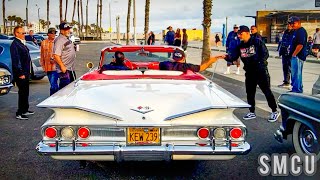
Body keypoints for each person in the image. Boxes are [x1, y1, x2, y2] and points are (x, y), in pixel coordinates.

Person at [224, 25, 279, 122]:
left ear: (247, 33)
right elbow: (233, 57)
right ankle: (252, 111)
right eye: (238, 34)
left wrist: (259, 63)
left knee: (266, 91)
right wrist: (225, 57)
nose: (239, 35)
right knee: (250, 92)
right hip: (249, 72)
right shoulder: (240, 46)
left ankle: (274, 111)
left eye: (241, 34)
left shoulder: (257, 42)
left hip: (260, 71)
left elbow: (265, 54)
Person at [10, 26, 35, 120]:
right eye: (23, 33)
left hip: (26, 72)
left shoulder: (21, 43)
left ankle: (25, 109)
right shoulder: (15, 44)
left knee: (26, 92)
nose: (24, 35)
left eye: (24, 33)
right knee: (22, 93)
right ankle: (19, 112)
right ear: (16, 33)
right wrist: (20, 73)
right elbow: (16, 60)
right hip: (21, 73)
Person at [53, 22, 77, 90]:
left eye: (69, 29)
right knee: (65, 90)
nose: (69, 30)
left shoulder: (66, 38)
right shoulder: (59, 40)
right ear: (61, 30)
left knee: (72, 88)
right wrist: (62, 66)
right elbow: (56, 55)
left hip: (70, 68)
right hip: (65, 70)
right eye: (66, 29)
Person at [159, 49, 224, 72]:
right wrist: (213, 59)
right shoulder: (187, 66)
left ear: (173, 58)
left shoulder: (165, 64)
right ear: (184, 58)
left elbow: (155, 65)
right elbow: (201, 68)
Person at [288, 16, 307, 93]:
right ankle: (297, 88)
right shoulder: (296, 31)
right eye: (291, 23)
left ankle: (297, 90)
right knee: (295, 73)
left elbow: (300, 45)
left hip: (298, 56)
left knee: (296, 74)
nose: (292, 25)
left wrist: (294, 55)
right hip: (295, 56)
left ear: (299, 23)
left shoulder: (301, 31)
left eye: (294, 23)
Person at [40, 27, 59, 96]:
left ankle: (53, 98)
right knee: (52, 83)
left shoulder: (57, 42)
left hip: (55, 67)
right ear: (48, 34)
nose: (54, 34)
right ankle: (56, 96)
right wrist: (43, 66)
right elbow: (42, 55)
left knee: (53, 84)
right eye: (52, 33)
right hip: (47, 68)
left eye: (55, 33)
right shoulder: (44, 43)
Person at [278, 24, 294, 89]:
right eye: (288, 25)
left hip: (290, 53)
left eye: (290, 24)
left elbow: (292, 42)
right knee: (285, 67)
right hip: (284, 51)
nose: (288, 26)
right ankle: (286, 81)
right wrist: (280, 50)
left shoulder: (294, 32)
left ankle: (292, 83)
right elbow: (282, 41)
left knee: (290, 68)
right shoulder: (286, 32)